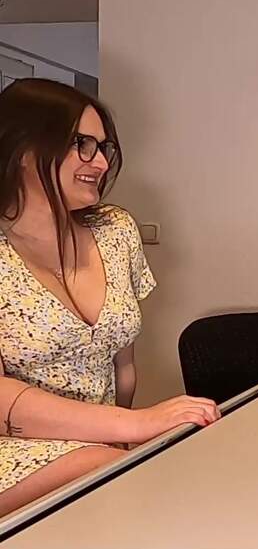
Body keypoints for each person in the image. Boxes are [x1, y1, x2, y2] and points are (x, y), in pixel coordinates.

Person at [0, 79, 220, 516]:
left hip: (102, 447)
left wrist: (124, 434)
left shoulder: (116, 230)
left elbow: (123, 366)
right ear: (24, 149)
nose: (99, 162)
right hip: (16, 450)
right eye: (82, 144)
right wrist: (133, 425)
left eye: (103, 148)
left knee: (190, 464)